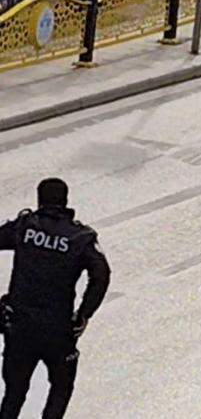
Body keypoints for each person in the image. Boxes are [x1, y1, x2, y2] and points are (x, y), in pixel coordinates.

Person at [0, 178, 110, 419]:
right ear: (65, 200)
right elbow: (101, 275)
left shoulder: (24, 227)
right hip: (58, 331)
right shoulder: (80, 237)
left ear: (40, 200)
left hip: (20, 328)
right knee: (61, 389)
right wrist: (83, 315)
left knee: (14, 393)